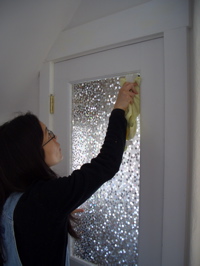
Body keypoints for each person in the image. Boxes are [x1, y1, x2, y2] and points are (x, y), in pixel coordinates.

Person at [0, 82, 137, 266]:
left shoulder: (14, 196)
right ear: (31, 151)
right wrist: (119, 109)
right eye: (48, 133)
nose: (55, 137)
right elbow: (107, 163)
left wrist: (56, 209)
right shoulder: (44, 198)